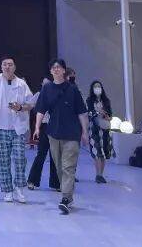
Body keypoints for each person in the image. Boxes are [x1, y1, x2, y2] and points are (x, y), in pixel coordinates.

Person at [34, 59, 89, 215]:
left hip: (72, 134)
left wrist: (85, 132)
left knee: (68, 167)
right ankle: (68, 195)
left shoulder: (73, 90)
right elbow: (41, 110)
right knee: (59, 166)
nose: (56, 69)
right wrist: (37, 127)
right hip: (54, 133)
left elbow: (82, 112)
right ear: (51, 71)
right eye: (53, 67)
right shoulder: (47, 89)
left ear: (64, 70)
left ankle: (65, 198)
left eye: (59, 67)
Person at [0, 57, 33, 203]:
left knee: (20, 158)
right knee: (3, 160)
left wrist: (20, 107)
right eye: (4, 64)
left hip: (18, 128)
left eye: (10, 64)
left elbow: (31, 104)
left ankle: (19, 188)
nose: (7, 67)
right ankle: (7, 190)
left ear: (14, 67)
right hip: (0, 126)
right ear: (1, 67)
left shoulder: (21, 84)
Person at [26, 78, 60, 192]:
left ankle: (56, 183)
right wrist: (20, 107)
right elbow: (29, 105)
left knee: (55, 155)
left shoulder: (58, 94)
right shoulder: (39, 95)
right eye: (43, 83)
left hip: (55, 126)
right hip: (44, 126)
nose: (45, 85)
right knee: (41, 154)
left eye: (48, 83)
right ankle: (32, 181)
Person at [86, 80, 115, 183]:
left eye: (99, 86)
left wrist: (107, 116)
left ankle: (101, 174)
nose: (97, 88)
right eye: (95, 87)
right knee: (97, 150)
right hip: (94, 129)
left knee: (104, 152)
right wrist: (98, 112)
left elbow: (110, 115)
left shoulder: (106, 101)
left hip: (105, 129)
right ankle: (98, 174)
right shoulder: (89, 100)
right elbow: (89, 113)